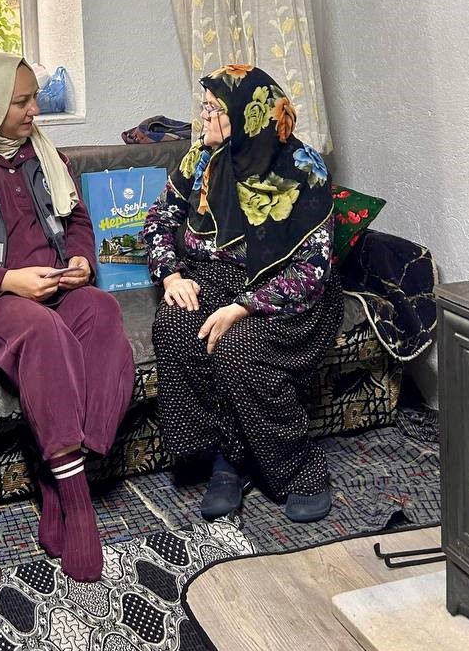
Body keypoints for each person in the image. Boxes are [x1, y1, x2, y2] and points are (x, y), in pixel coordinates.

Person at [0, 52, 135, 582]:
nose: (34, 110)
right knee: (43, 331)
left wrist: (81, 261)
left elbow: (78, 220)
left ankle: (55, 480)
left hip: (58, 287)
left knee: (103, 311)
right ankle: (77, 503)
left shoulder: (47, 156)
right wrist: (10, 281)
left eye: (34, 97)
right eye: (21, 102)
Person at [143, 63, 342, 523]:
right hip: (214, 279)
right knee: (175, 325)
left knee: (237, 348)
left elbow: (312, 268)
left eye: (214, 109)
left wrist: (243, 306)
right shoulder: (200, 158)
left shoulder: (303, 168)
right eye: (204, 107)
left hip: (283, 293)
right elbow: (158, 220)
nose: (203, 117)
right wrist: (171, 275)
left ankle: (300, 470)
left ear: (247, 116)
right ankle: (226, 457)